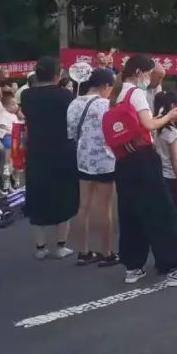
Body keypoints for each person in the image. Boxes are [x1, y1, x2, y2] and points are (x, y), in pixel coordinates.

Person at [109, 55, 177, 286]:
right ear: (139, 72)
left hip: (123, 161)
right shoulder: (136, 93)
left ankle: (133, 266)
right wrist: (169, 116)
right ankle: (172, 268)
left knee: (130, 214)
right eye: (149, 73)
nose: (150, 78)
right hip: (143, 159)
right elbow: (148, 125)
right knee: (162, 212)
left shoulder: (116, 94)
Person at [19, 57, 79, 260]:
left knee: (38, 196)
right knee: (65, 196)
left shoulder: (27, 95)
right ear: (57, 74)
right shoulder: (65, 95)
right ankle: (61, 246)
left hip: (37, 151)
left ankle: (40, 247)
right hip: (63, 151)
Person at [67, 68, 117, 267]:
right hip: (105, 161)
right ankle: (107, 252)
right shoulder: (106, 105)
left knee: (83, 206)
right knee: (105, 208)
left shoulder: (74, 103)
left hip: (82, 159)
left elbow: (71, 133)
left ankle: (84, 251)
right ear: (105, 86)